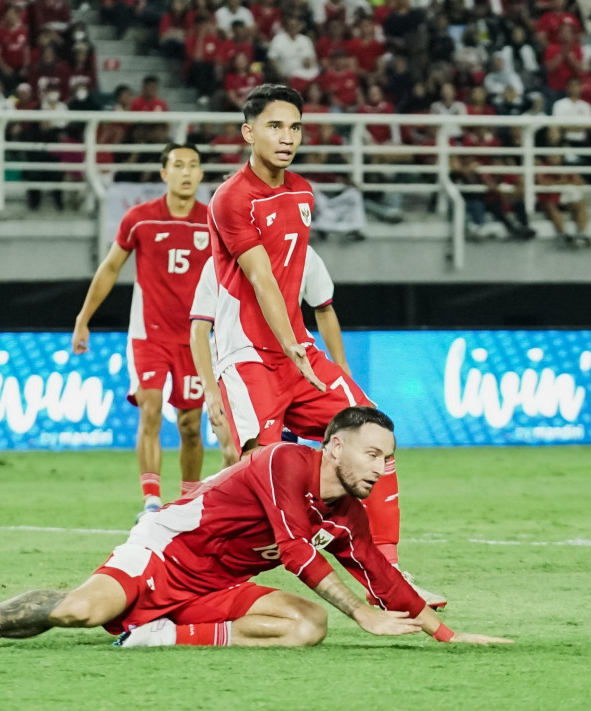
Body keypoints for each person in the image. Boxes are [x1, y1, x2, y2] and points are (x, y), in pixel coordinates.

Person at [0, 407, 512, 651]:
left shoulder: (348, 511)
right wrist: (364, 616)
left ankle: (160, 636)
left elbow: (379, 572)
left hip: (218, 585)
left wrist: (447, 634)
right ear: (335, 446)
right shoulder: (282, 462)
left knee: (306, 627)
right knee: (76, 611)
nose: (382, 468)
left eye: (390, 459)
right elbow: (296, 551)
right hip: (164, 551)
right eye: (373, 455)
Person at [205, 84, 446, 607]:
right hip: (249, 357)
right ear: (248, 132)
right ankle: (200, 564)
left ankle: (390, 578)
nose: (287, 137)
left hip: (299, 352)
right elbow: (261, 279)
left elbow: (301, 282)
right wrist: (289, 341)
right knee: (260, 477)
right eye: (274, 126)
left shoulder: (303, 192)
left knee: (373, 438)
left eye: (294, 127)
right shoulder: (231, 198)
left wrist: (304, 345)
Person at [72, 144, 210, 516]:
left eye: (193, 166)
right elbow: (110, 268)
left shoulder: (212, 222)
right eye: (178, 165)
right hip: (149, 335)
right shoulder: (140, 219)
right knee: (151, 409)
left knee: (191, 424)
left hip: (195, 339)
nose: (186, 172)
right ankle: (151, 501)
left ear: (200, 174)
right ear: (164, 173)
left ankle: (187, 503)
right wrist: (84, 319)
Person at [190, 245, 342, 468]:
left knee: (282, 456)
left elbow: (324, 308)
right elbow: (199, 329)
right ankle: (219, 491)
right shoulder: (219, 263)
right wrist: (211, 390)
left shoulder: (302, 253)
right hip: (233, 369)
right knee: (236, 454)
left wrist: (341, 365)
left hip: (285, 369)